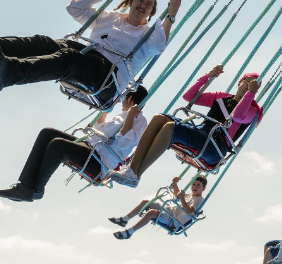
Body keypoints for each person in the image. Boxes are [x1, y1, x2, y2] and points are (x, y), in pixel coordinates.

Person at [0, 0, 180, 96]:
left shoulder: (148, 35)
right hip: (87, 54)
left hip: (108, 75)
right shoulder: (110, 17)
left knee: (68, 58)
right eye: (140, 0)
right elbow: (75, 8)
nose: (143, 5)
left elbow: (160, 45)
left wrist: (171, 14)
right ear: (130, 2)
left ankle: (9, 72)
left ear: (151, 13)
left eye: (149, 5)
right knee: (45, 43)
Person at [108, 65, 262, 188]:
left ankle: (136, 174)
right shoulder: (221, 97)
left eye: (252, 86)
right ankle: (131, 170)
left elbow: (237, 116)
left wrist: (250, 95)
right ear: (240, 82)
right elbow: (189, 97)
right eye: (246, 82)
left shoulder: (252, 110)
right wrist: (207, 76)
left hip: (216, 146)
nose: (248, 87)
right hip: (202, 133)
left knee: (170, 128)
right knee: (159, 118)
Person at [0, 86, 150, 202]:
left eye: (124, 98)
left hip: (99, 162)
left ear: (129, 99)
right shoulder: (122, 115)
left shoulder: (139, 120)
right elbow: (97, 127)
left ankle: (36, 190)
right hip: (89, 147)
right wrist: (107, 110)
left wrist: (130, 116)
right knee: (47, 133)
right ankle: (25, 185)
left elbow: (124, 143)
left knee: (57, 145)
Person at [111, 175, 207, 238]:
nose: (195, 187)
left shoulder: (199, 200)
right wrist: (175, 184)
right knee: (146, 202)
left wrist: (181, 198)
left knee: (151, 213)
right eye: (194, 184)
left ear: (203, 188)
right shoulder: (190, 195)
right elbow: (177, 195)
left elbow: (190, 212)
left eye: (199, 185)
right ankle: (125, 219)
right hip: (171, 211)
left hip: (174, 221)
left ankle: (130, 232)